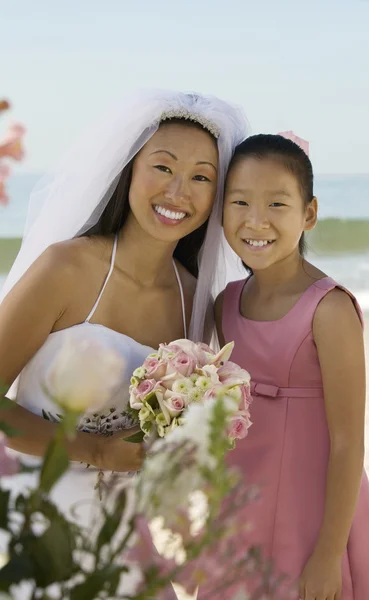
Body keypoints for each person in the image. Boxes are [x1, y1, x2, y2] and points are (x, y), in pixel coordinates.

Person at [0, 90, 248, 519]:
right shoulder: (66, 267)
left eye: (201, 178)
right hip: (38, 519)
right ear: (130, 169)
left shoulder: (194, 298)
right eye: (163, 167)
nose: (177, 192)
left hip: (127, 527)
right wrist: (95, 450)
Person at [213, 134, 369, 599]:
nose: (257, 220)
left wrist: (329, 555)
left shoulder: (329, 310)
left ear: (308, 214)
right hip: (245, 509)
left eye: (277, 203)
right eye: (240, 202)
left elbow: (349, 442)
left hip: (314, 515)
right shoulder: (226, 304)